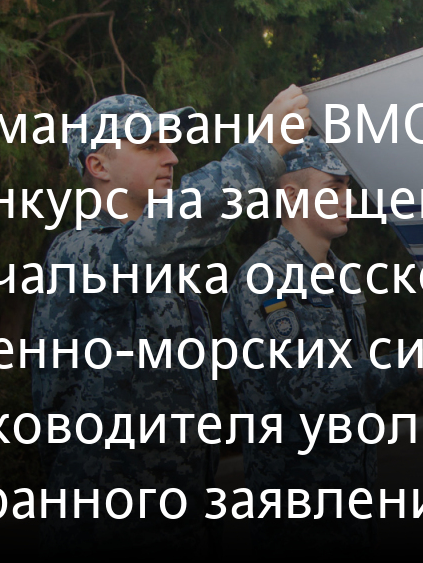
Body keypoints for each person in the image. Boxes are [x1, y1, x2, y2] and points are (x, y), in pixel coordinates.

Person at [31, 88, 311, 552]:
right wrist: (262, 150)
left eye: (168, 143)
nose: (172, 157)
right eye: (149, 145)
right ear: (97, 166)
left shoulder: (162, 266)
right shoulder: (78, 253)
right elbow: (162, 233)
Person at [222, 137, 423, 551]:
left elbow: (351, 377)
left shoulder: (340, 273)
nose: (350, 200)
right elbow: (304, 388)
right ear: (291, 195)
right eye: (335, 187)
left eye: (349, 187)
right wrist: (413, 363)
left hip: (353, 497)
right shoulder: (268, 276)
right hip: (297, 509)